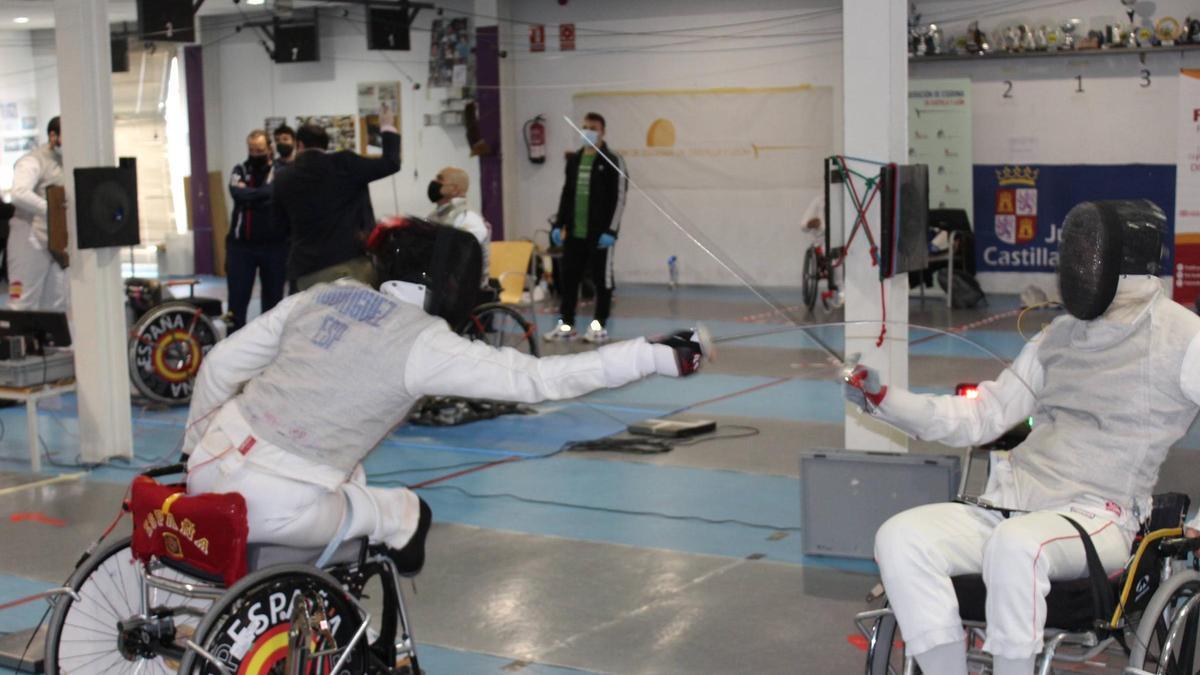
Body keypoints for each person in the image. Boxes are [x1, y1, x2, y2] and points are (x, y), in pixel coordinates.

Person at [182, 217, 705, 577]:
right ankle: (392, 542)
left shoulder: (322, 295)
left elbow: (220, 364)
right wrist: (650, 354)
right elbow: (540, 380)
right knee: (402, 509)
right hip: (277, 506)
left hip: (206, 467)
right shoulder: (427, 343)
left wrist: (191, 452)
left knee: (349, 481)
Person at [843, 200, 1200, 675]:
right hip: (1015, 503)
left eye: (1088, 253)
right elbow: (981, 417)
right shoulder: (1060, 335)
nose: (1075, 266)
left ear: (1120, 259)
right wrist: (886, 398)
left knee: (1017, 545)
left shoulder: (1184, 337)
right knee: (900, 537)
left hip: (1099, 515)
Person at [273, 104, 400, 291]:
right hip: (350, 265)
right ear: (326, 145)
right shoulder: (344, 163)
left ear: (299, 145)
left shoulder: (283, 177)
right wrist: (387, 126)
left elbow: (278, 227)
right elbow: (390, 163)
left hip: (306, 270)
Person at [546, 112, 628, 345]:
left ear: (603, 131)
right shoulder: (574, 160)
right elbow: (567, 193)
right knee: (569, 280)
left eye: (593, 127)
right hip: (575, 233)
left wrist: (611, 231)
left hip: (600, 235)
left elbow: (620, 198)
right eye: (584, 127)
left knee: (602, 281)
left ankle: (598, 326)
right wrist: (559, 224)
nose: (588, 131)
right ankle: (566, 325)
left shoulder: (613, 160)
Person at [226, 130, 287, 332]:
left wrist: (251, 194)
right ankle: (231, 349)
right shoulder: (240, 170)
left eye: (259, 150)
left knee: (273, 304)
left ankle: (269, 348)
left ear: (269, 149)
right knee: (236, 303)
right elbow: (238, 193)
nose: (255, 153)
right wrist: (260, 195)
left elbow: (272, 192)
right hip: (241, 247)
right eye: (251, 150)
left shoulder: (279, 170)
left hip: (274, 247)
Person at [7, 116, 66, 311]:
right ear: (53, 135)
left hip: (55, 242)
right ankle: (16, 343)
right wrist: (53, 209)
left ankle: (53, 343)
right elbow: (19, 193)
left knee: (57, 305)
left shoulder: (66, 162)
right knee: (23, 304)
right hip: (28, 238)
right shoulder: (33, 160)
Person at [426, 166, 491, 291]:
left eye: (440, 179)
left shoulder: (468, 217)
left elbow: (460, 257)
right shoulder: (435, 216)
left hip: (463, 291)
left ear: (455, 189)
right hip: (439, 283)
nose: (434, 182)